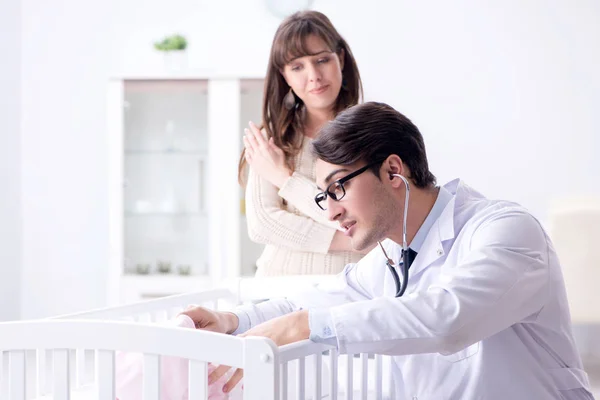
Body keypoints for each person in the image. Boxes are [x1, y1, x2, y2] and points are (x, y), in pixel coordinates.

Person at [185, 102, 593, 399]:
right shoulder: (390, 260)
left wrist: (302, 326)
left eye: (338, 189)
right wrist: (232, 318)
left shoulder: (505, 229)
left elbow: (449, 318)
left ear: (393, 171)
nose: (331, 212)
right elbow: (316, 297)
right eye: (324, 196)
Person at [239, 10, 366, 276]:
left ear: (340, 59)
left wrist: (285, 179)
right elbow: (262, 224)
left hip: (351, 289)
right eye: (297, 67)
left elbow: (368, 220)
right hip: (277, 291)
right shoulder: (271, 139)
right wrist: (351, 241)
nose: (314, 76)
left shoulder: (369, 133)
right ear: (284, 76)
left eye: (322, 60)